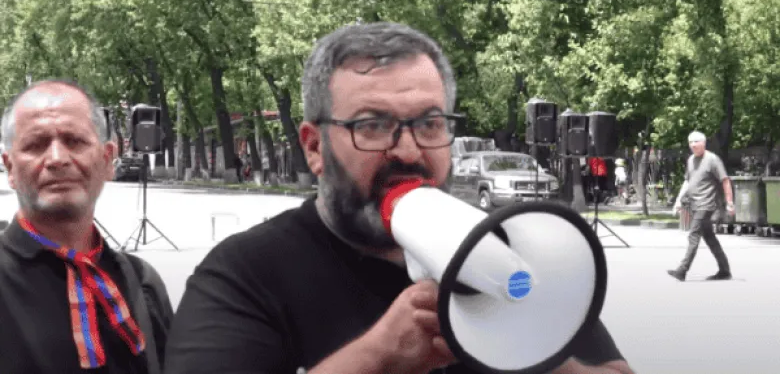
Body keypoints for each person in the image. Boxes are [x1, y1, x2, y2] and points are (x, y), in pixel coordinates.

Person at [163, 22, 634, 374]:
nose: (407, 151)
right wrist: (376, 357)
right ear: (314, 148)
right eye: (372, 125)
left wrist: (536, 347)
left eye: (429, 124)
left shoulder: (506, 249)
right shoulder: (246, 273)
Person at [0, 80, 174, 374]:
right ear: (10, 168)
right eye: (36, 145)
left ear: (107, 160)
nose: (57, 159)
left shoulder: (142, 282)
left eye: (75, 141)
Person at [670, 131, 734, 281]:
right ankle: (725, 270)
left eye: (696, 141)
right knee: (709, 237)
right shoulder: (691, 160)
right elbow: (687, 181)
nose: (693, 145)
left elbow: (725, 180)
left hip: (706, 204)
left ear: (704, 143)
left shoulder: (712, 159)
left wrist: (729, 203)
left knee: (693, 235)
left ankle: (682, 270)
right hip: (694, 204)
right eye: (690, 142)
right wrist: (678, 200)